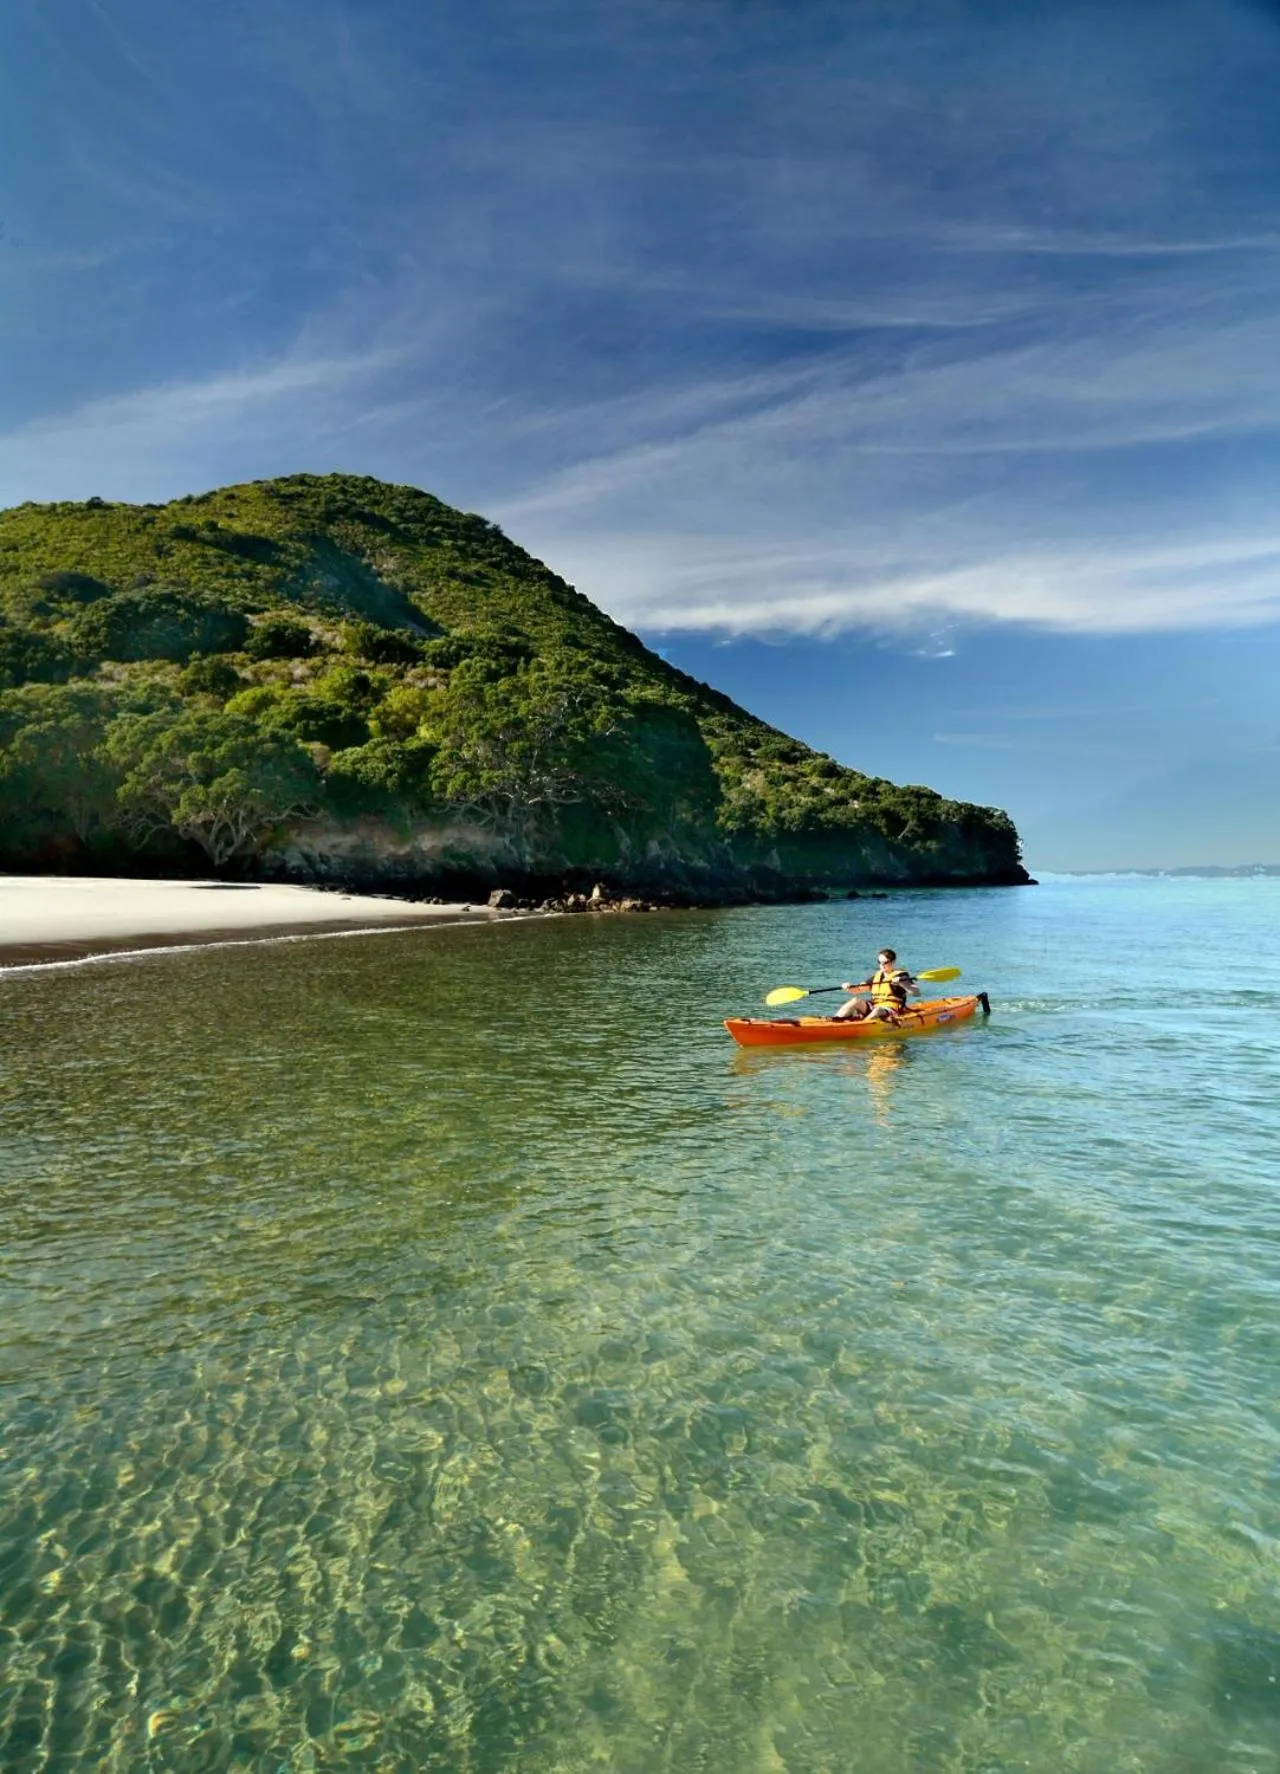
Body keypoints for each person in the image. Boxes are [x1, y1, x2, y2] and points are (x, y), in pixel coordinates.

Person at [833, 949, 919, 1022]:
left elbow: (916, 993)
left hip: (891, 1010)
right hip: (875, 1006)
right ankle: (836, 1020)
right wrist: (848, 987)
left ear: (893, 962)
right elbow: (858, 990)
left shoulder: (901, 976)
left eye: (885, 962)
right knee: (855, 1001)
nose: (881, 965)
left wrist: (901, 983)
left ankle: (862, 1026)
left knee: (878, 1010)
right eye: (879, 962)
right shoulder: (876, 977)